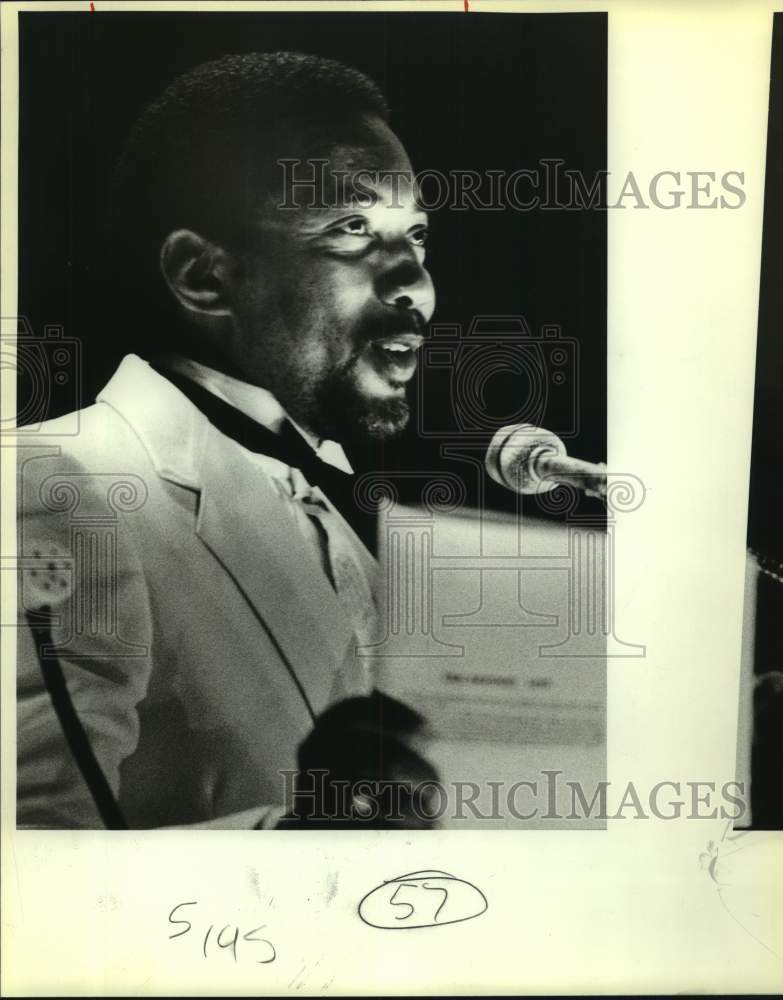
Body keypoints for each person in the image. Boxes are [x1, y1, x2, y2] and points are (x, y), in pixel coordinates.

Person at [16, 51, 437, 830]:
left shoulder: (346, 523)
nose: (414, 283)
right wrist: (298, 841)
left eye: (415, 236)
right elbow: (27, 866)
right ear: (203, 276)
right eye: (351, 229)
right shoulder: (53, 480)